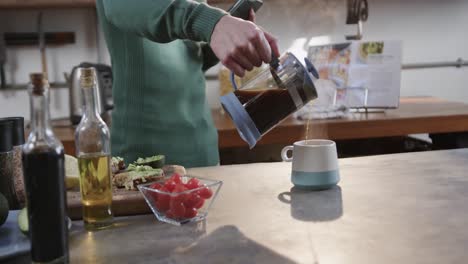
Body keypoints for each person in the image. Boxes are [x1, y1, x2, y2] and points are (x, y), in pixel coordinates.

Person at [96, 0, 279, 167]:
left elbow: (191, 60)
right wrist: (216, 23)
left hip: (203, 152)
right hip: (144, 160)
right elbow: (135, 7)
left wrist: (225, 33)